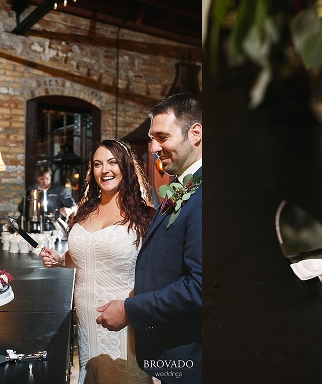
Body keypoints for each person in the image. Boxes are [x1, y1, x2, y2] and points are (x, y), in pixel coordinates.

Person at [95, 93, 203, 383]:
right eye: (153, 138)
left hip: (190, 357)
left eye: (162, 137)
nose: (154, 148)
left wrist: (130, 310)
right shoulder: (184, 186)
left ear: (196, 134)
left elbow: (200, 288)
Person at [40, 139, 155, 384]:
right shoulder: (85, 210)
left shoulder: (145, 216)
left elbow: (157, 274)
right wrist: (60, 259)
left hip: (124, 320)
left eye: (112, 162)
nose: (105, 170)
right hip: (86, 321)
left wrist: (131, 309)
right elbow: (86, 255)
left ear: (125, 166)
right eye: (97, 164)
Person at [18, 165, 77, 231]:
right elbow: (21, 208)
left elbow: (74, 206)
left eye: (47, 178)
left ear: (50, 177)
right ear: (37, 178)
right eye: (42, 179)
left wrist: (69, 210)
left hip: (54, 226)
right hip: (34, 226)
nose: (45, 181)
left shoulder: (59, 190)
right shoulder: (31, 190)